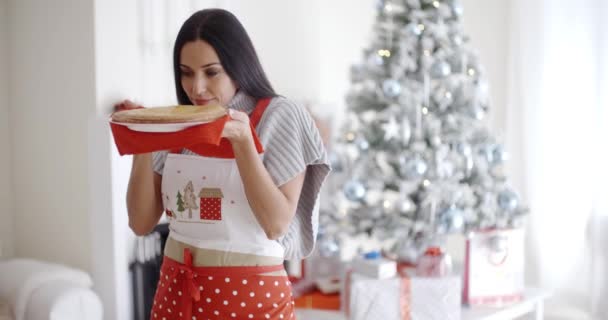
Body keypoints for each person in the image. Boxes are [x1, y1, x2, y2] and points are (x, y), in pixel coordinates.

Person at [116, 8, 330, 320]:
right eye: (186, 72)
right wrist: (143, 138)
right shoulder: (179, 123)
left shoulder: (281, 116)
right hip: (177, 297)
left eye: (211, 72)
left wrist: (243, 141)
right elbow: (141, 223)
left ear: (238, 66)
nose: (196, 88)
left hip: (252, 302)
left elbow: (276, 224)